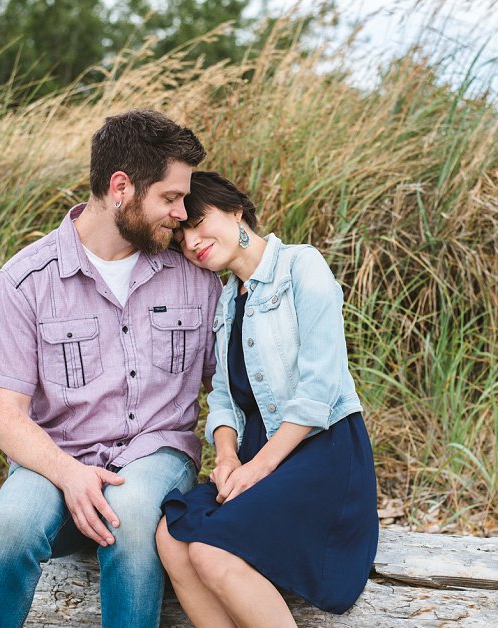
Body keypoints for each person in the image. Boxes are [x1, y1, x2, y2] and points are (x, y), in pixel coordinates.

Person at [0, 110, 223, 628]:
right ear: (121, 187)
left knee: (129, 521)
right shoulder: (25, 280)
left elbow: (232, 388)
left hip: (156, 452)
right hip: (56, 460)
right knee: (12, 529)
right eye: (170, 198)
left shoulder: (195, 277)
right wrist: (70, 475)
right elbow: (5, 415)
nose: (181, 213)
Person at [155, 172, 379, 626]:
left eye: (200, 222)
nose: (193, 242)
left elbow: (321, 387)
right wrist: (226, 456)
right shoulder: (225, 302)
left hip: (323, 453)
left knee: (212, 552)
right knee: (169, 537)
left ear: (236, 210)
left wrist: (259, 467)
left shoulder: (301, 265)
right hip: (259, 453)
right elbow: (222, 393)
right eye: (182, 238)